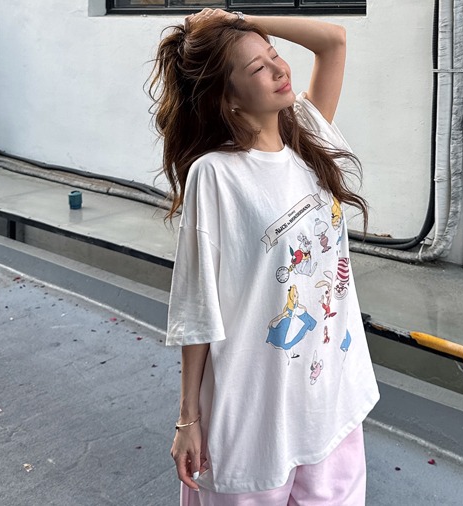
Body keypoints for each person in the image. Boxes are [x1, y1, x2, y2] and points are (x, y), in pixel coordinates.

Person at [149, 8, 380, 505]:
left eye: (275, 55)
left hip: (330, 406)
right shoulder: (215, 174)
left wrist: (242, 20)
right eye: (258, 68)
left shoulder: (308, 134)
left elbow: (333, 42)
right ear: (227, 98)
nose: (279, 69)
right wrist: (188, 418)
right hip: (254, 419)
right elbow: (198, 306)